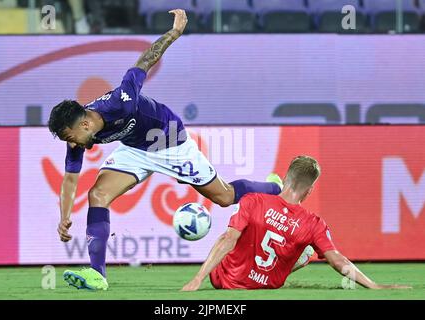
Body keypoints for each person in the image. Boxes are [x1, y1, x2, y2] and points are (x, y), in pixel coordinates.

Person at [47, 9, 282, 291]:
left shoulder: (120, 102)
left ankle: (275, 188)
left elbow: (144, 61)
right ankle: (98, 275)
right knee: (97, 194)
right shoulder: (78, 137)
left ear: (84, 123)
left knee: (224, 196)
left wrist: (173, 33)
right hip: (134, 149)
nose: (70, 145)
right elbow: (71, 179)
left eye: (70, 137)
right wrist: (64, 216)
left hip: (170, 142)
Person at [182, 156, 411, 291]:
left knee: (239, 229)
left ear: (285, 180)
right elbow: (337, 261)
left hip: (223, 280)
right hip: (266, 285)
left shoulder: (252, 200)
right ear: (309, 191)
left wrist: (198, 278)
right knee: (307, 247)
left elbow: (227, 239)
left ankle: (275, 237)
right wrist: (373, 285)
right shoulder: (314, 223)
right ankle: (293, 257)